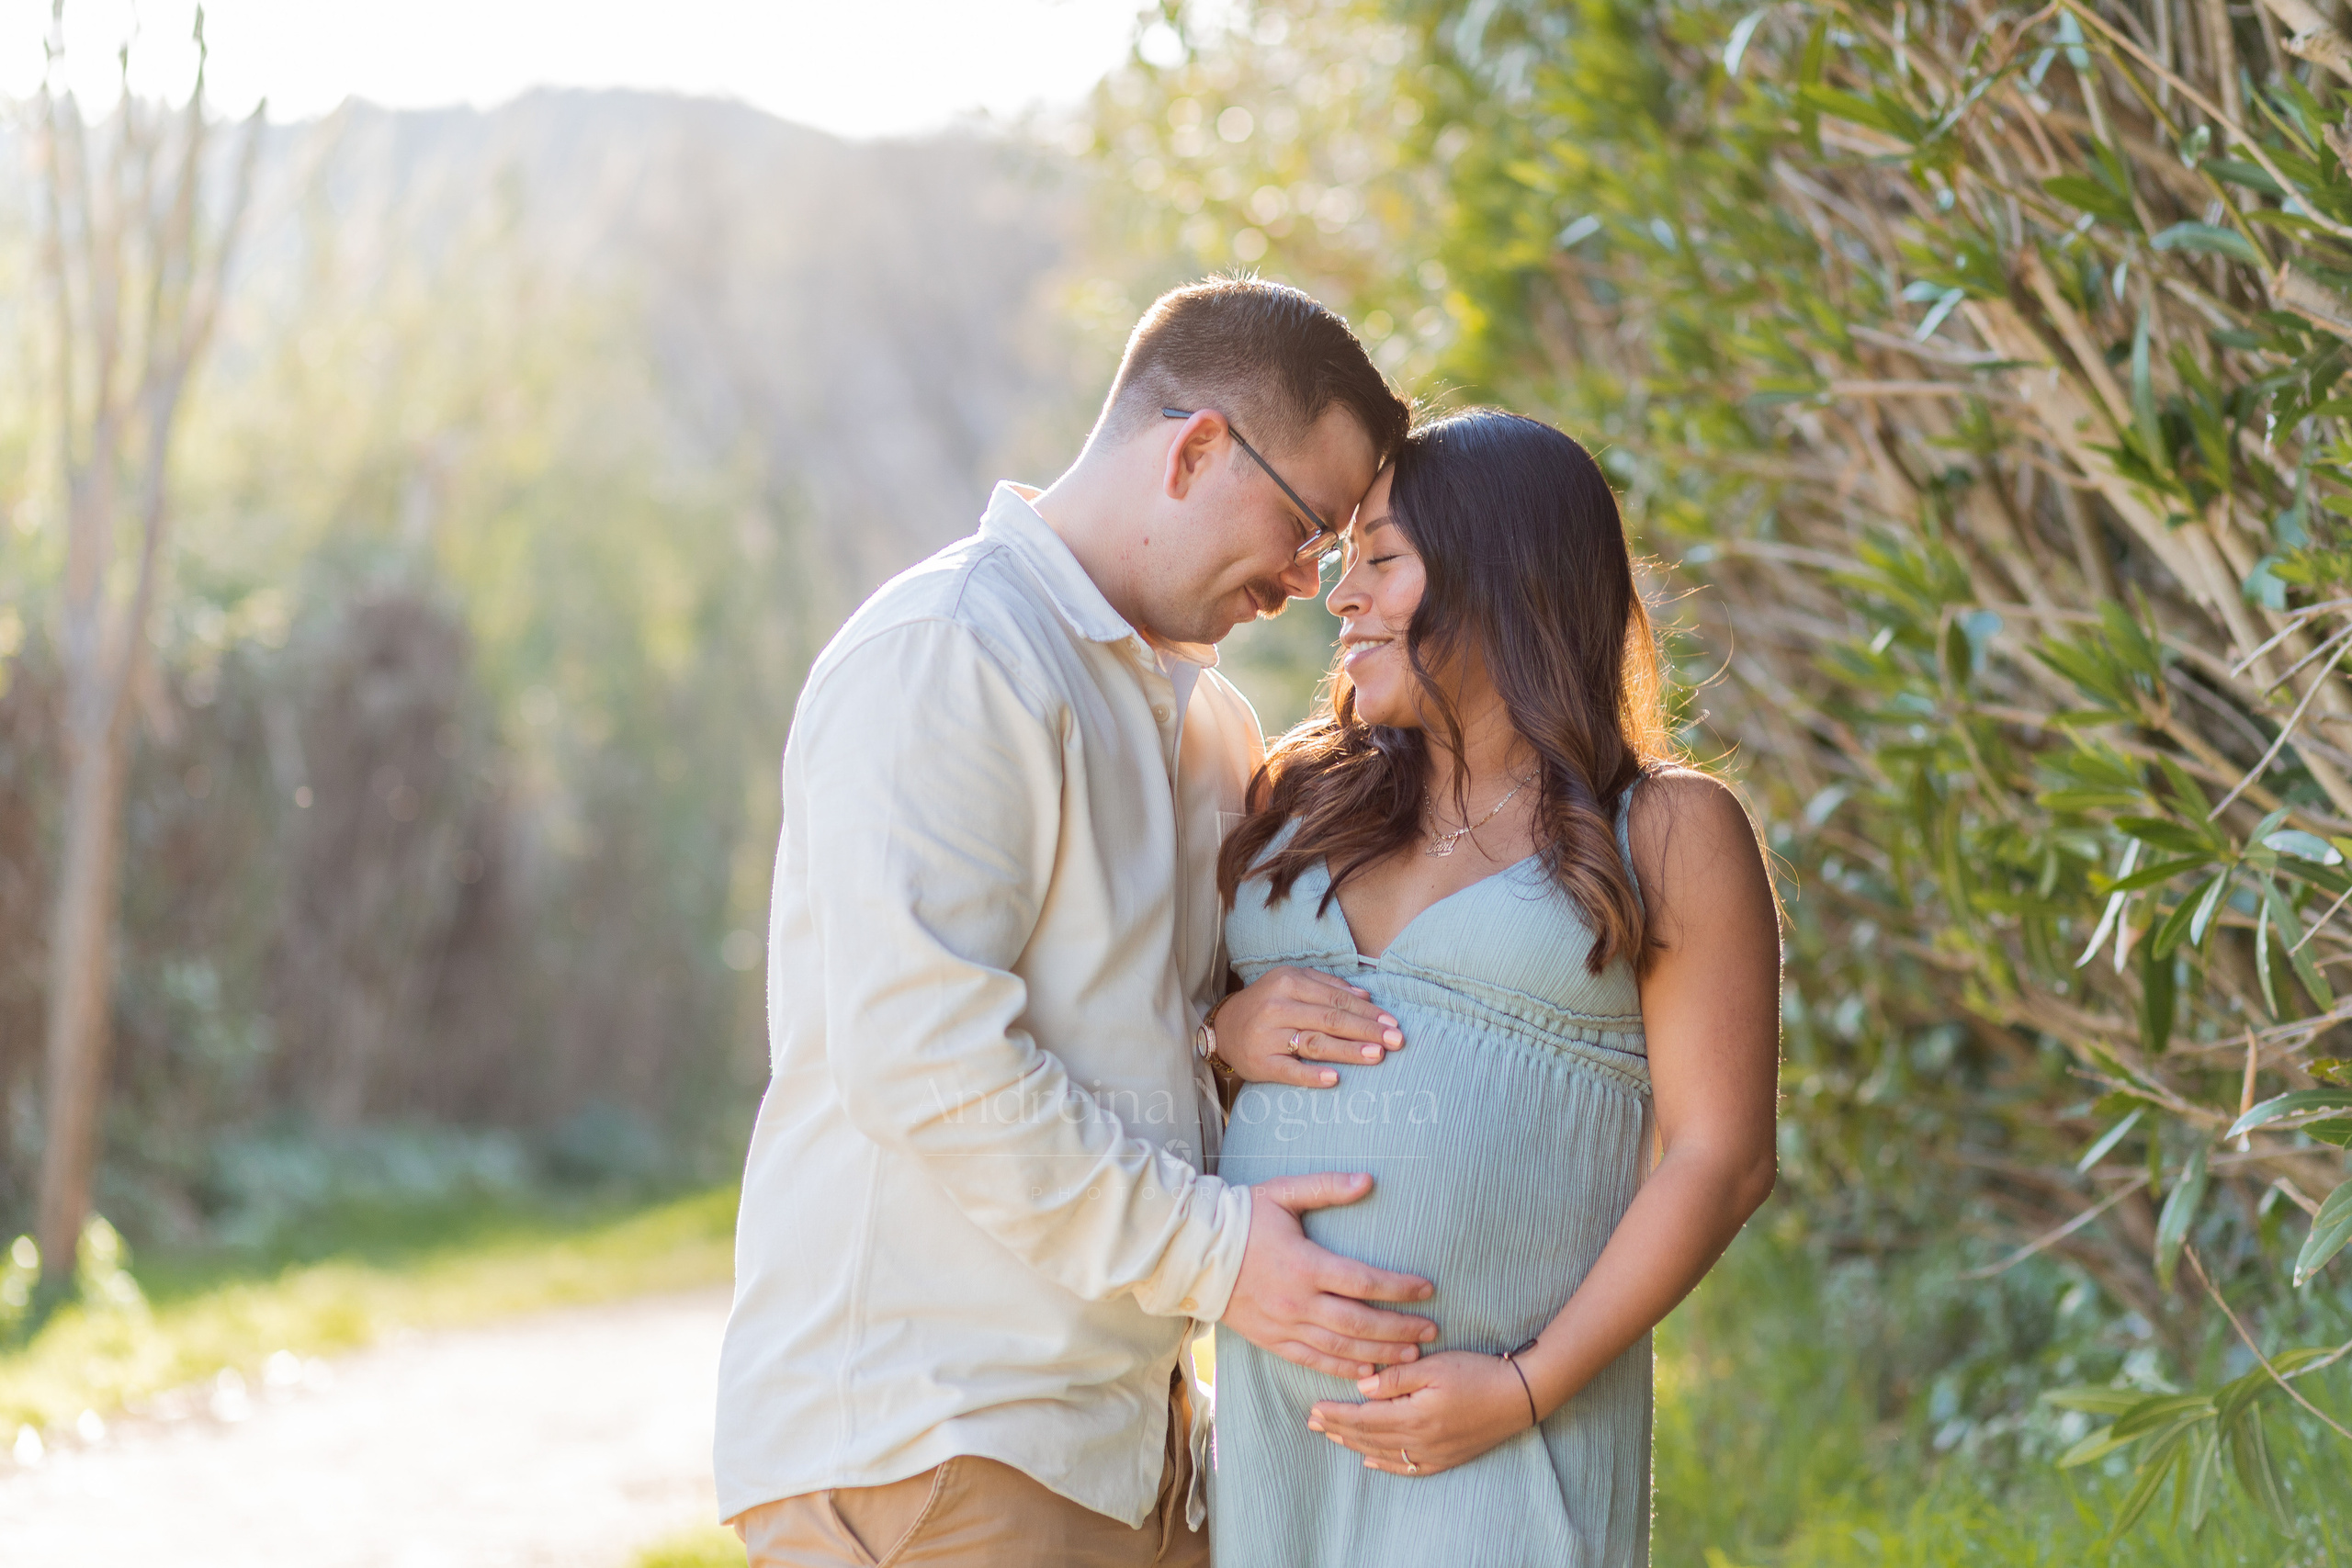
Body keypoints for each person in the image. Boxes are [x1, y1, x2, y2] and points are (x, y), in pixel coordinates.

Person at [715, 277, 1440, 1568]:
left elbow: (1124, 1031)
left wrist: (1224, 1032)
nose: (1301, 579)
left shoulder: (1204, 719)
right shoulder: (951, 652)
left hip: (1137, 1455)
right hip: (938, 1444)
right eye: (1302, 524)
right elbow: (928, 1063)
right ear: (1198, 445)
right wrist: (1225, 1257)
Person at [1204, 408, 1782, 1567]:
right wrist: (1220, 1032)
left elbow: (1721, 1160)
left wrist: (1526, 1387)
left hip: (1504, 1432)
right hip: (1279, 1424)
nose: (1341, 596)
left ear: (1501, 577)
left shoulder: (1665, 831)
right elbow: (1155, 1045)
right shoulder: (1296, 795)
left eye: (1382, 559)